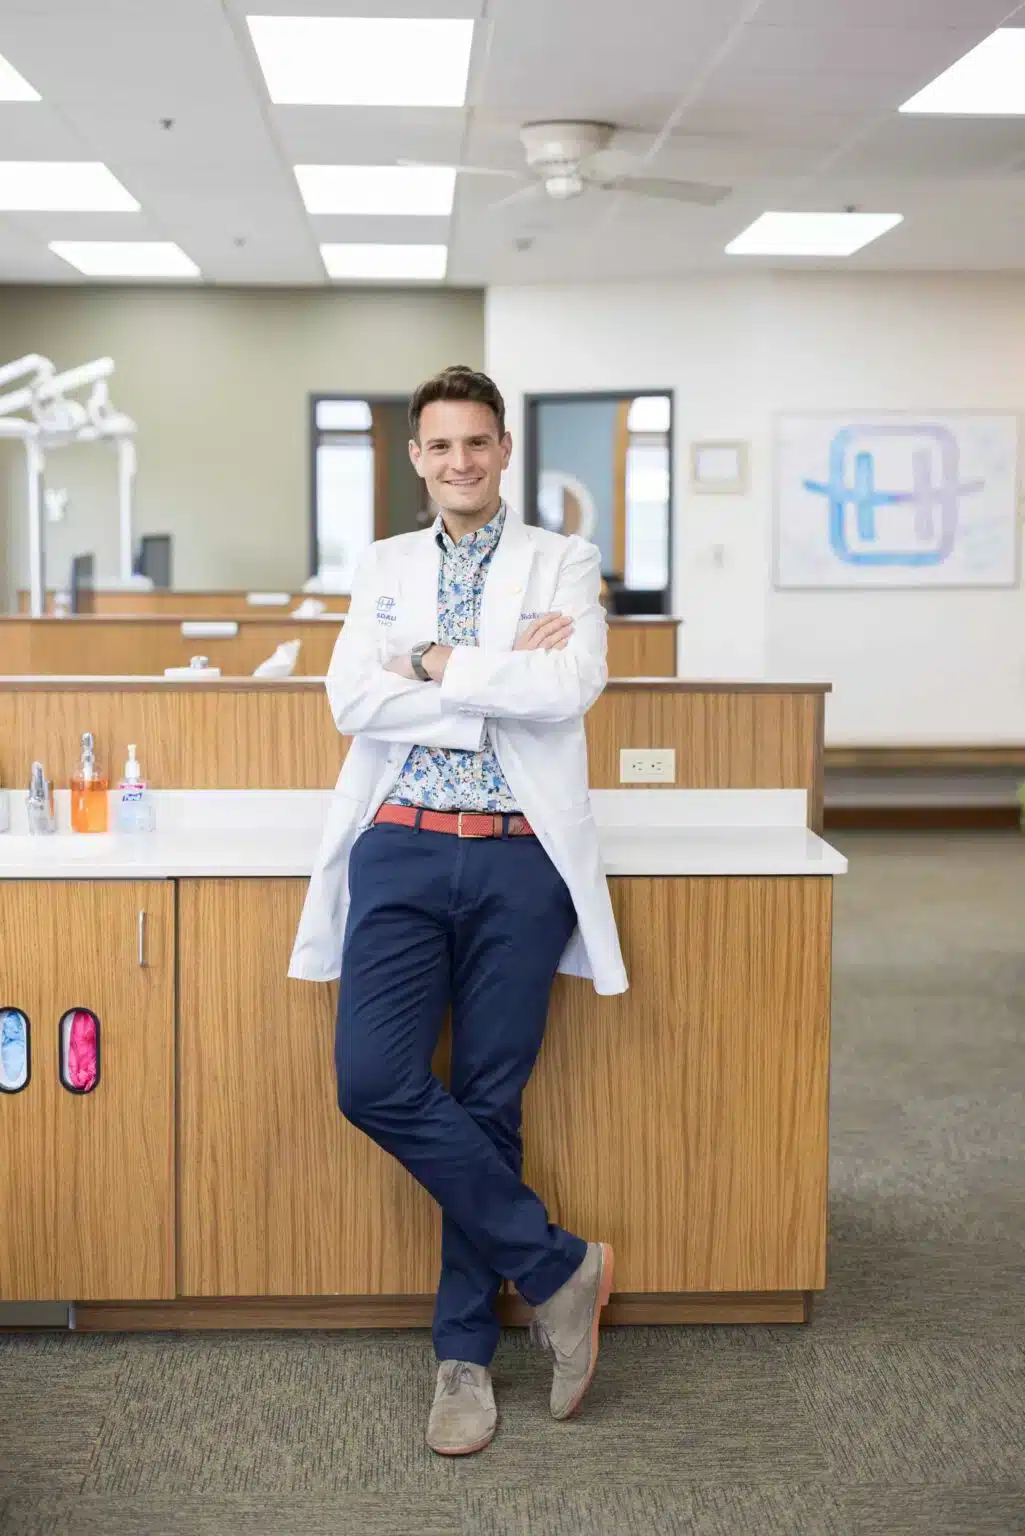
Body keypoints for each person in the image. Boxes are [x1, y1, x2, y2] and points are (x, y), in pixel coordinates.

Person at [289, 365, 628, 1455]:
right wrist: (487, 673)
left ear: (501, 451)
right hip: (398, 847)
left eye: (477, 443)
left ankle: (463, 1363)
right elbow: (351, 700)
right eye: (440, 446)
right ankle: (558, 1266)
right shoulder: (385, 564)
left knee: (487, 1104)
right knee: (373, 1080)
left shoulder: (562, 560)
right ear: (415, 458)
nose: (460, 462)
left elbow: (567, 687)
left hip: (520, 857)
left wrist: (430, 661)